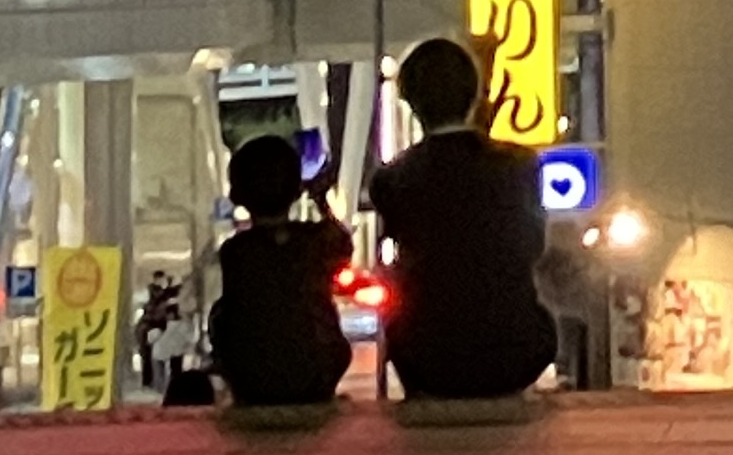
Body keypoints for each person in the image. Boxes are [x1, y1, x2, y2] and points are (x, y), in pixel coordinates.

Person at [367, 39, 554, 403]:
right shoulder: (519, 167)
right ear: (473, 95)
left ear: (410, 102)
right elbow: (532, 246)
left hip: (426, 355)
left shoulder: (393, 181)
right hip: (513, 348)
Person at [204, 136, 351, 410]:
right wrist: (320, 199)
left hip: (253, 381)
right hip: (316, 375)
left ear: (237, 194)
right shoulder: (316, 241)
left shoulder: (236, 251)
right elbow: (343, 241)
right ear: (297, 191)